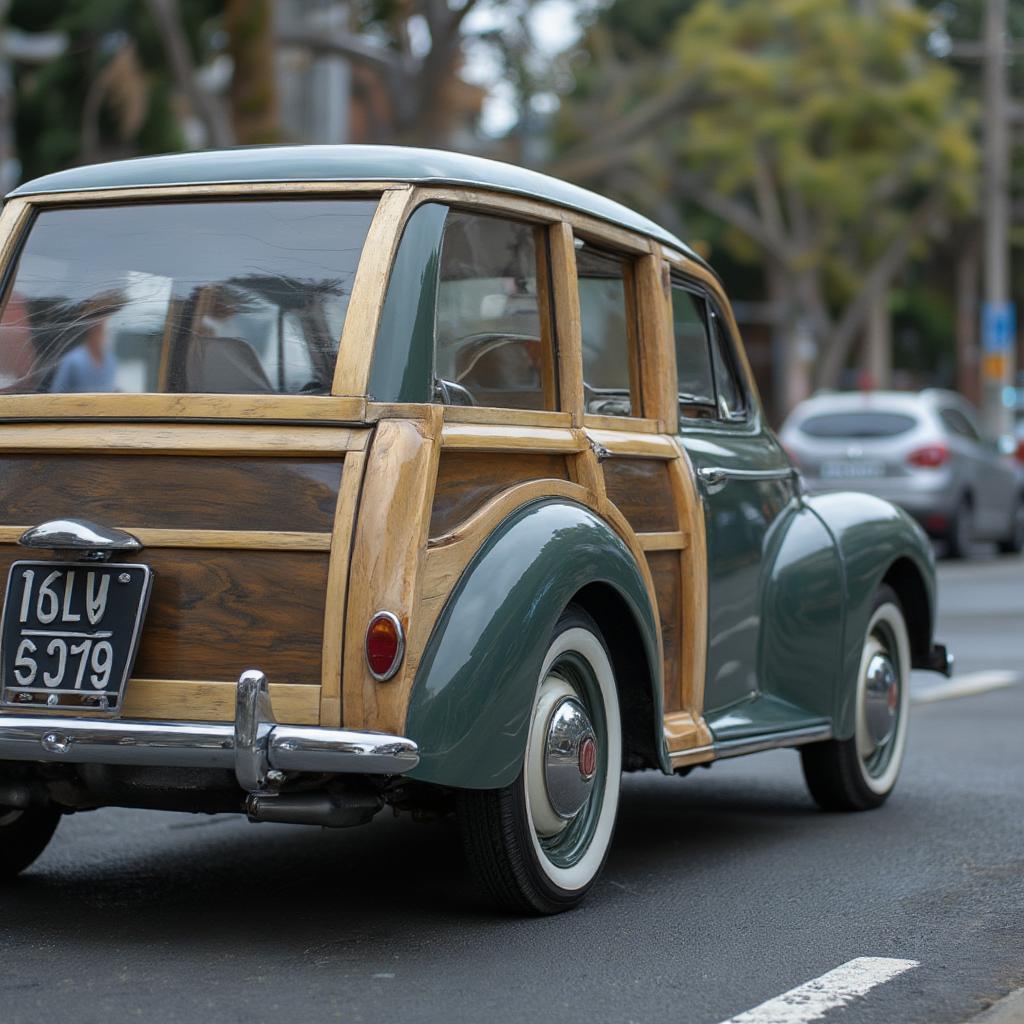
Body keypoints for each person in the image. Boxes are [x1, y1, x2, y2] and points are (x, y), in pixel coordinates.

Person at [49, 292, 123, 393]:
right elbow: (56, 395)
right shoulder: (73, 361)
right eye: (100, 328)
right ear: (91, 329)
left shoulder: (110, 360)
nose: (105, 333)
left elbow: (110, 389)